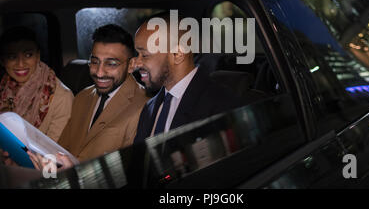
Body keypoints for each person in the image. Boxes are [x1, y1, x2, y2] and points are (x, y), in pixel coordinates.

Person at [29, 24, 148, 170]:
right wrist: (39, 167)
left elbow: (130, 174)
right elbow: (60, 151)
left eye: (111, 64)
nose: (99, 73)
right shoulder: (83, 96)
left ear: (131, 65)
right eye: (94, 61)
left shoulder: (145, 106)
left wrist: (77, 175)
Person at [133, 12, 243, 143]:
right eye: (137, 54)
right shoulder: (149, 108)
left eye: (144, 55)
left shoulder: (220, 104)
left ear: (178, 54)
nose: (136, 63)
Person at [0, 26, 73, 143]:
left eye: (28, 55)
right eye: (12, 56)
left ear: (38, 56)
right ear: (3, 61)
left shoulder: (62, 97)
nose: (20, 64)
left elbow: (54, 154)